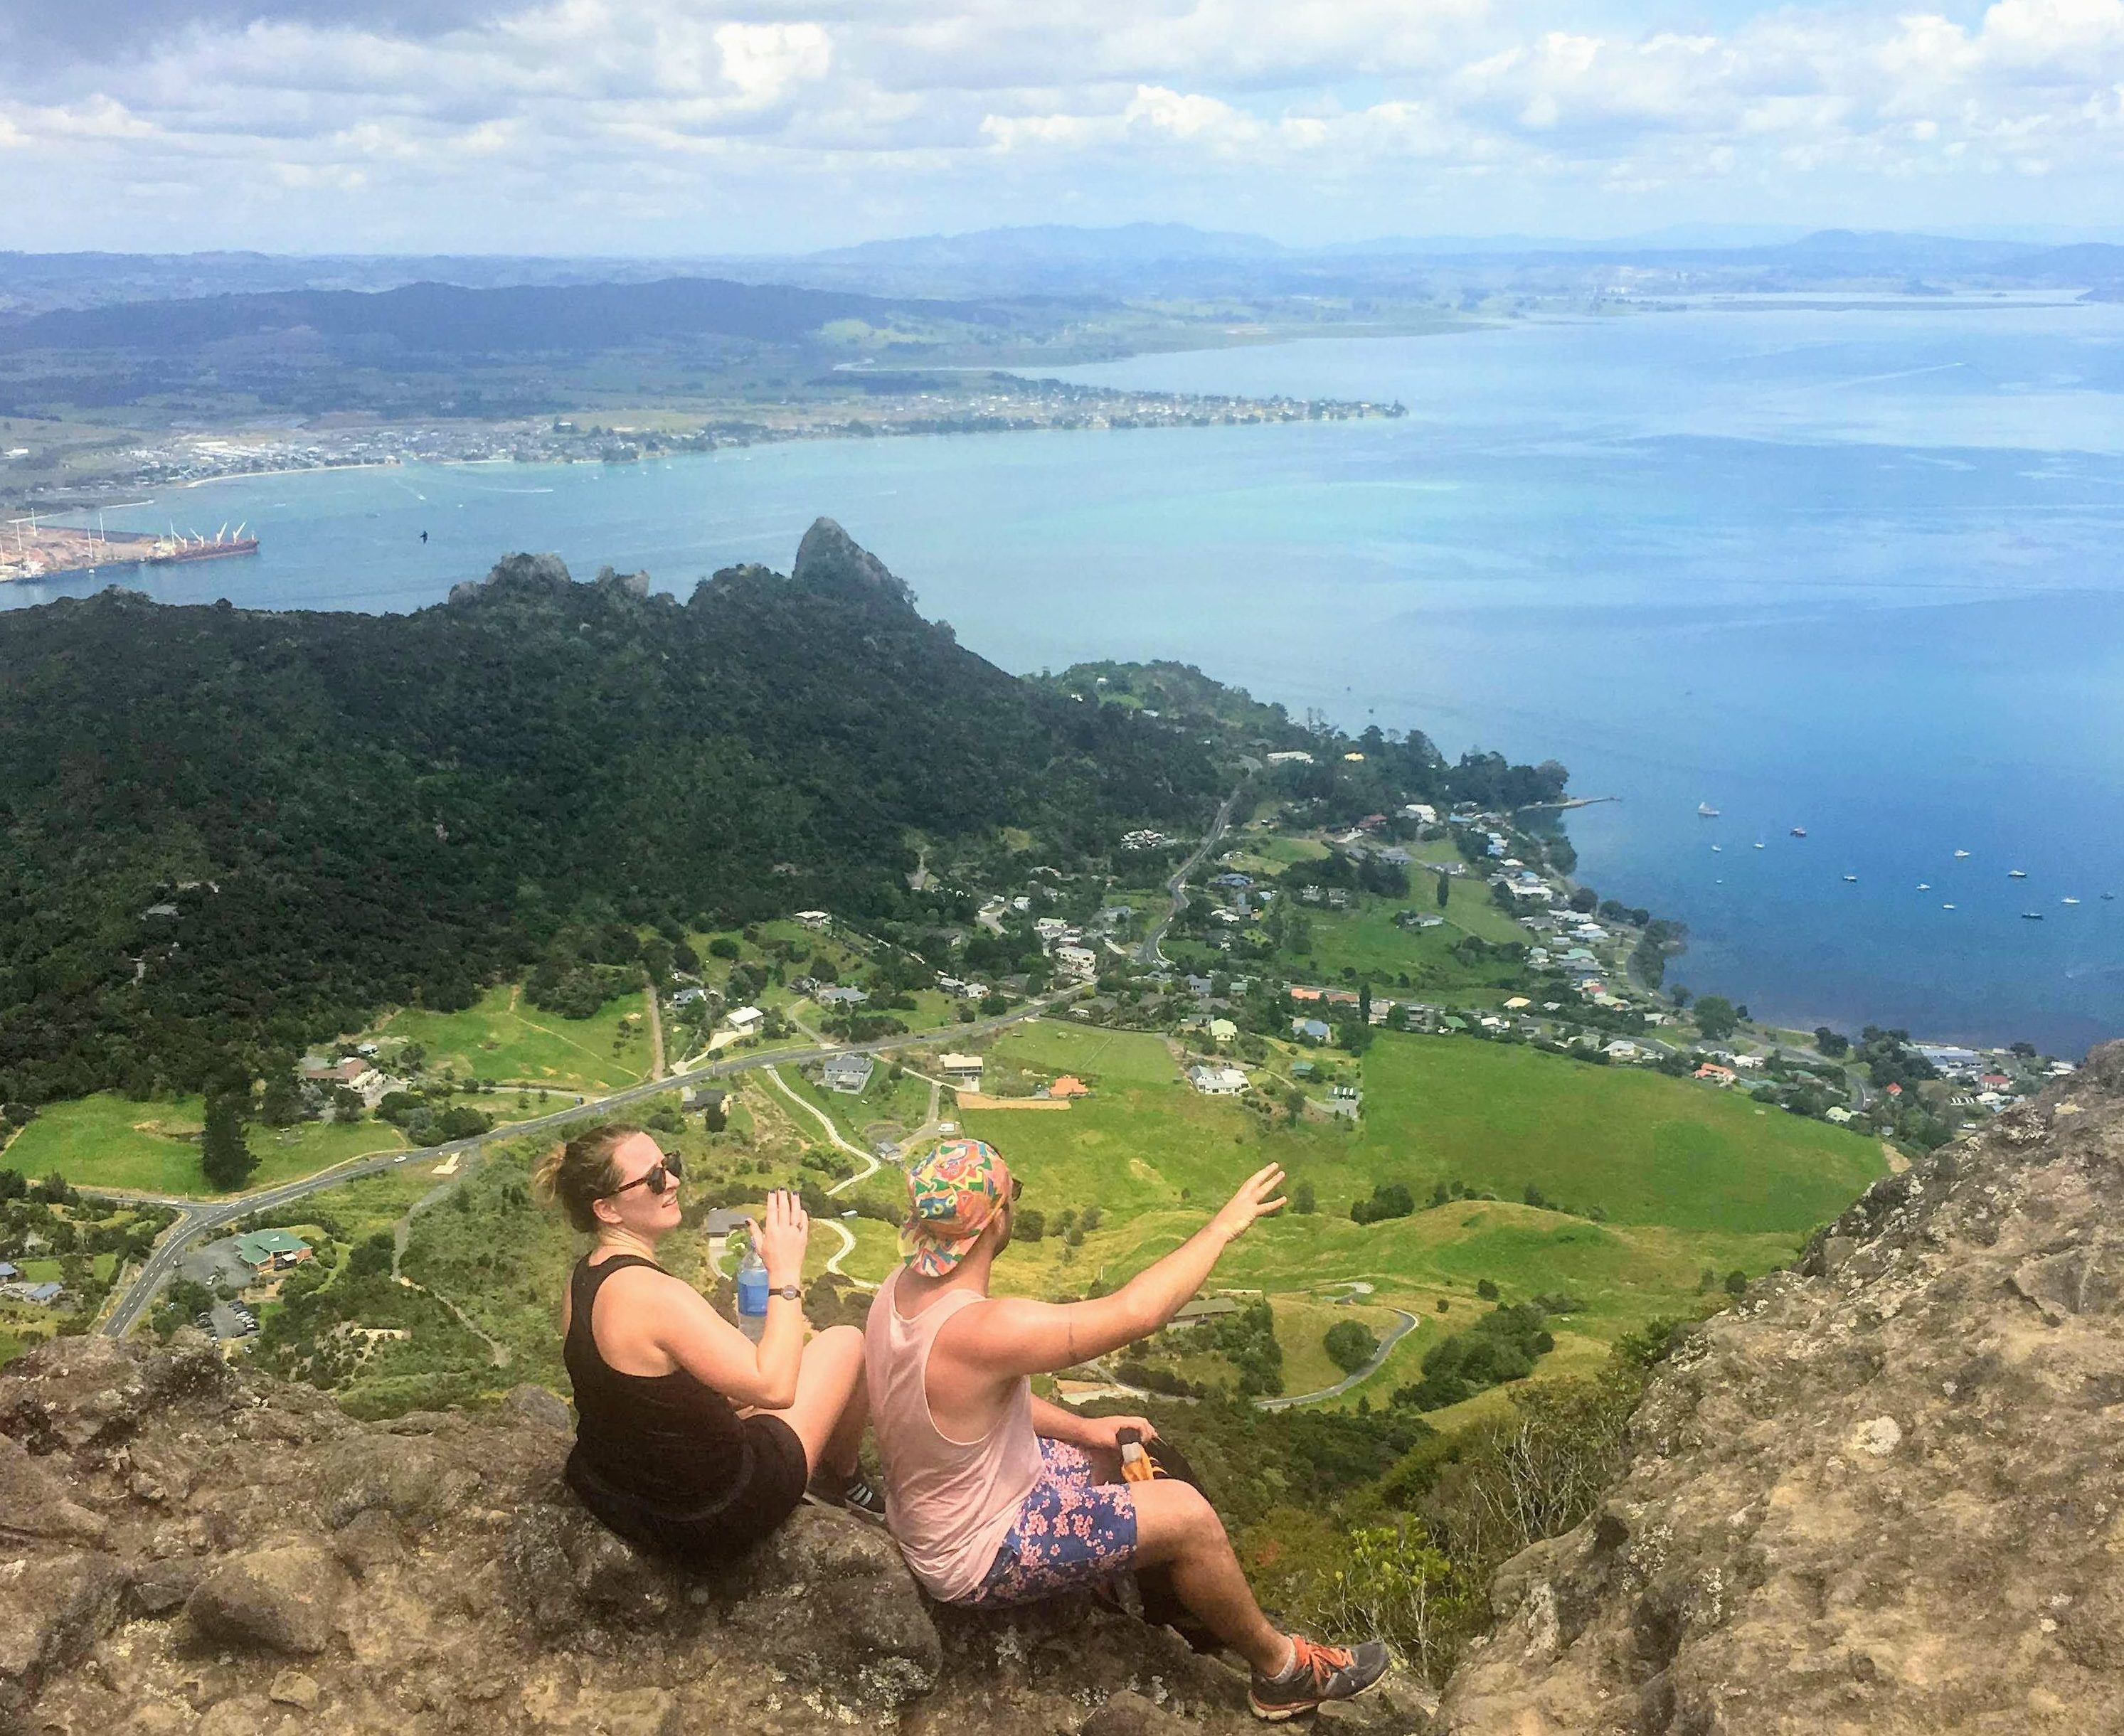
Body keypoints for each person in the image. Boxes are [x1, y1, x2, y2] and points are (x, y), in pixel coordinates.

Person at [863, 1138, 1388, 1721]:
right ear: (994, 1220)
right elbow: (1137, 1312)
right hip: (979, 1548)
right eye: (1014, 1195)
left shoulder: (899, 1291)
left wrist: (1087, 1428)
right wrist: (1220, 1229)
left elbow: (967, 1407)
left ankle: (1126, 1588)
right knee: (1188, 1515)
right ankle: (1283, 1671)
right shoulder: (978, 1327)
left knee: (1129, 1452)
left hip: (943, 1511)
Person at [536, 1123, 879, 1564]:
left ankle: (836, 1476)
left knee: (750, 1397)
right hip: (707, 1517)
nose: (673, 1180)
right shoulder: (656, 1296)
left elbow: (640, 1397)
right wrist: (786, 1274)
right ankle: (844, 1480)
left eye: (669, 1164)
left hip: (619, 1492)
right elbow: (776, 1387)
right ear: (608, 1210)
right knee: (847, 1342)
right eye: (655, 1177)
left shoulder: (582, 1278)